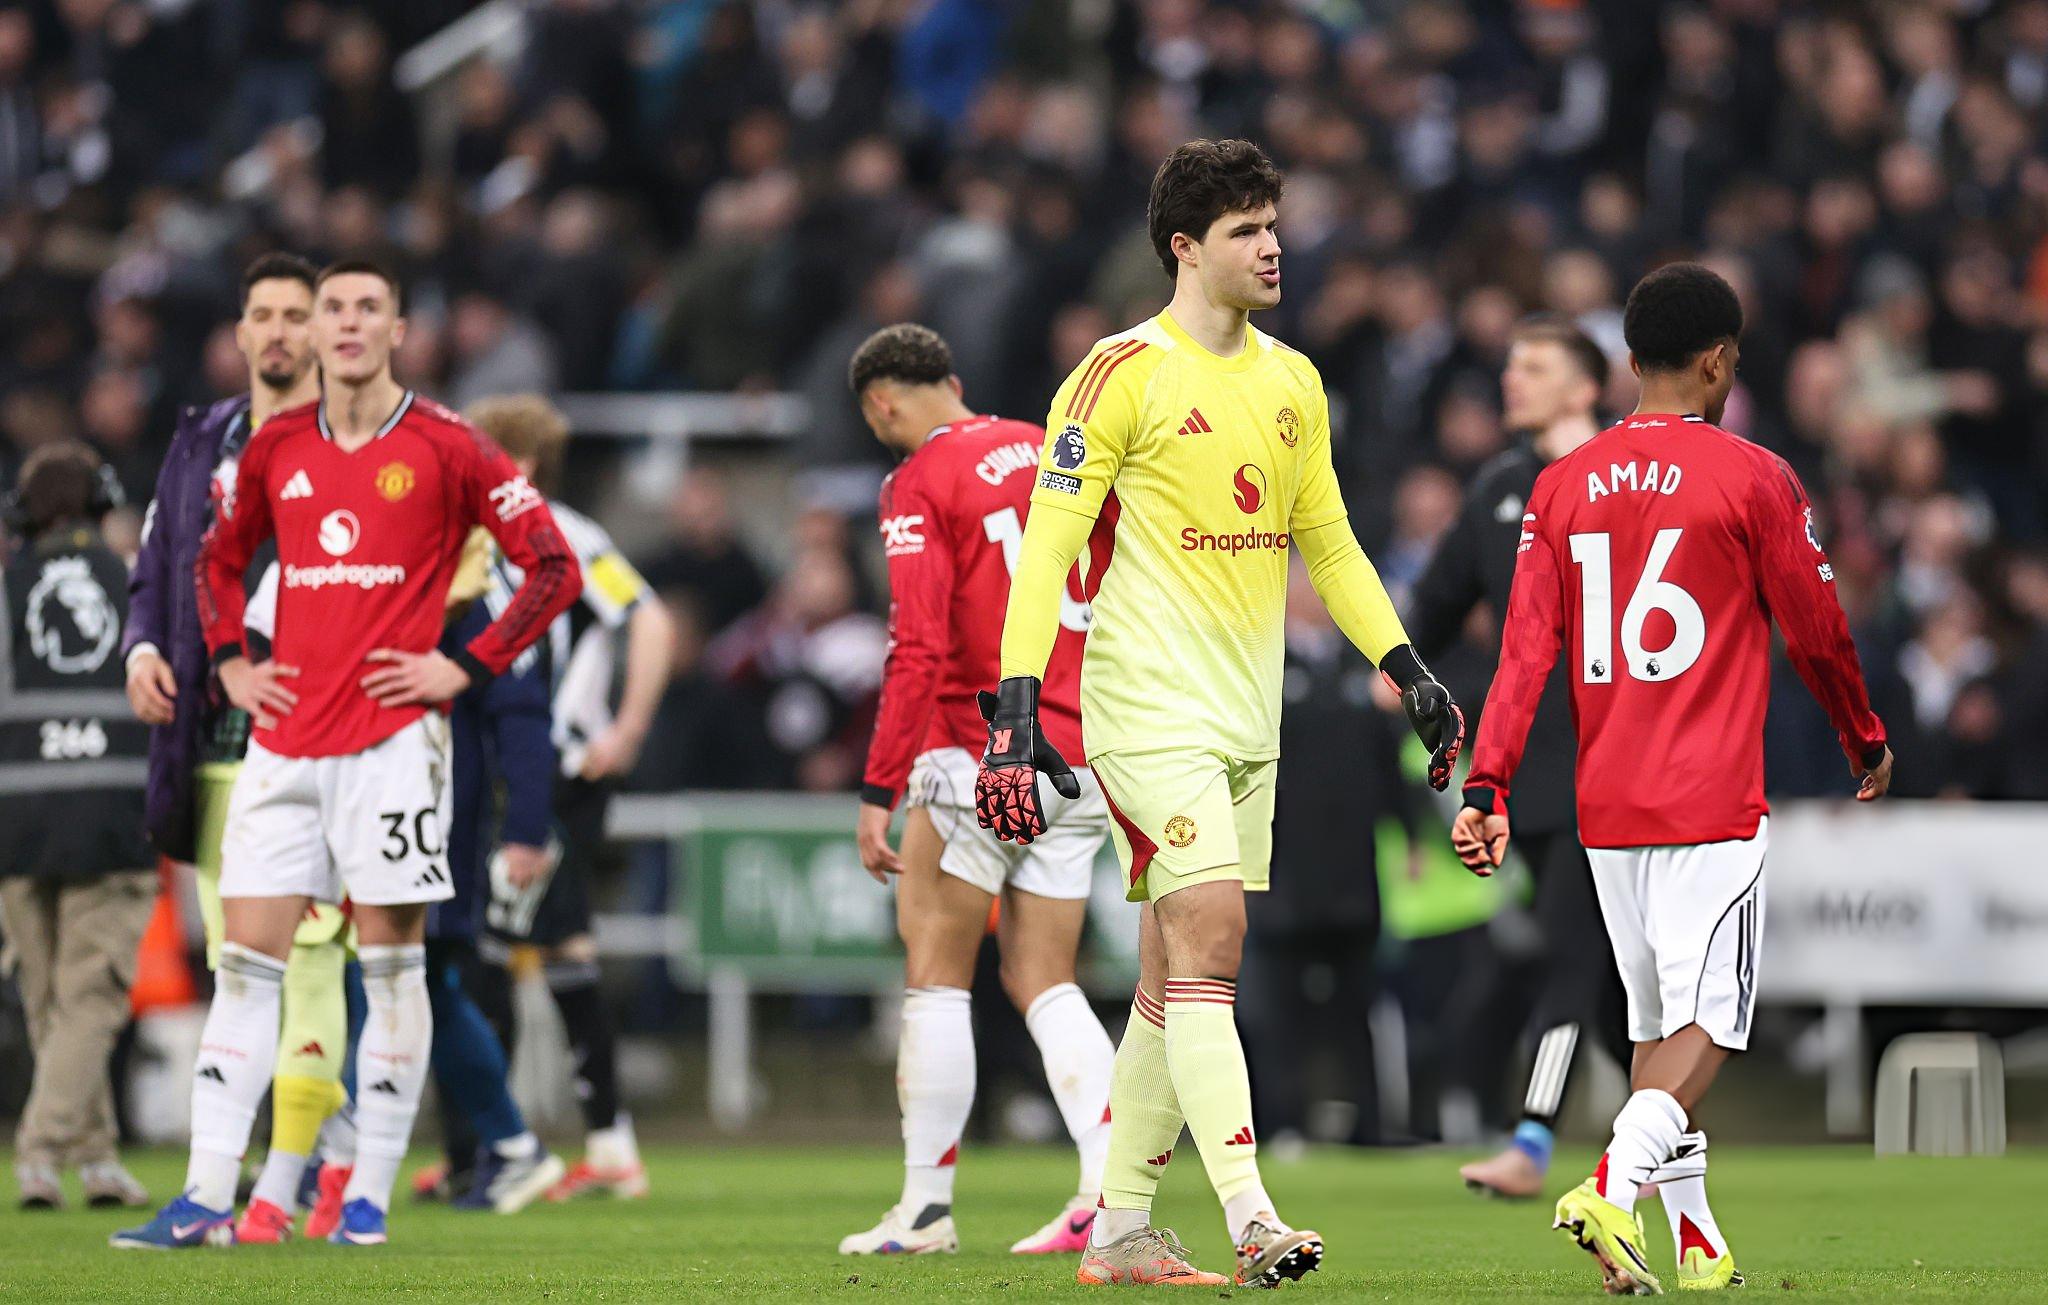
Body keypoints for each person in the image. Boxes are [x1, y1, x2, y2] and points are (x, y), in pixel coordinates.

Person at [978, 139, 1466, 1289]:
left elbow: (1330, 543)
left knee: (1167, 973)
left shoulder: (1292, 381)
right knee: (1215, 939)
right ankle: (1250, 1212)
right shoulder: (1115, 375)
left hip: (1250, 722)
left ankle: (1121, 1228)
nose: (1273, 245)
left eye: (1274, 223)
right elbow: (1045, 549)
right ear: (1184, 248)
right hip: (1144, 709)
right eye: (1247, 229)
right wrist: (1012, 708)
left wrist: (1406, 665)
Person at [112, 259, 581, 1250]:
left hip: (393, 750)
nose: (349, 322)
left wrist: (467, 666)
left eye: (370, 306)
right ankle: (203, 1198)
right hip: (280, 748)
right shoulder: (275, 445)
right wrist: (233, 663)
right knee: (244, 971)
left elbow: (553, 565)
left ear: (400, 328)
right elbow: (214, 558)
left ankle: (362, 1198)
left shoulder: (451, 445)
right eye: (334, 308)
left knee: (393, 973)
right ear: (315, 331)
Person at [1455, 263, 1893, 1294]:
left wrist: (1488, 787)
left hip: (1604, 809)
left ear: (1625, 359)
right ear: (1716, 362)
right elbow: (1817, 632)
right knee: (1710, 1028)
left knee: (1654, 1029)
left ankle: (1691, 1246)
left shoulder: (1558, 487)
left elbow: (1522, 654)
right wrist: (1860, 734)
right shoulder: (1751, 476)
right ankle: (1609, 1182)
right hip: (1706, 802)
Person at [837, 323, 1116, 1258]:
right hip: (1082, 750)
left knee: (935, 973)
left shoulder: (917, 479)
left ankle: (923, 1208)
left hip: (979, 748)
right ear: (952, 381)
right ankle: (1108, 1193)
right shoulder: (1050, 446)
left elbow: (916, 642)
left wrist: (879, 786)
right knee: (1043, 976)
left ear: (883, 404)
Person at [122, 252, 354, 1244]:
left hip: (318, 739)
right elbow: (153, 562)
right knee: (239, 968)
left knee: (307, 964)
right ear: (238, 332)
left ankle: (298, 1178)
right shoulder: (199, 439)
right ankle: (283, 1173)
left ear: (320, 332)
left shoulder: (351, 444)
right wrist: (139, 644)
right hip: (211, 746)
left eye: (293, 315)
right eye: (259, 314)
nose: (275, 332)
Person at [1404, 315, 1633, 1198]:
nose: (1513, 379)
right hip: (1532, 773)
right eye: (1510, 363)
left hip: (1617, 761)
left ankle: (1532, 1140)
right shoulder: (1499, 485)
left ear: (1586, 385)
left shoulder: (1629, 478)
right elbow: (1424, 617)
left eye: (1533, 366)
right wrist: (1458, 691)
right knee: (1603, 981)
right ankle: (1674, 1136)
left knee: (1574, 956)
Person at [460, 394, 673, 1201]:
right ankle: (608, 1144)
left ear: (518, 461)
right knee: (563, 946)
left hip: (555, 766)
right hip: (536, 768)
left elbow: (651, 622)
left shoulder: (564, 535)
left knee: (494, 942)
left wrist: (626, 729)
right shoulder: (511, 535)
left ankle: (498, 1146)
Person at [0, 444, 154, 1211]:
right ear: (103, 503)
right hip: (113, 815)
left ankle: (91, 1159)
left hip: (19, 821)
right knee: (90, 1000)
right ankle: (46, 1148)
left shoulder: (5, 589)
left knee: (48, 1002)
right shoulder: (140, 584)